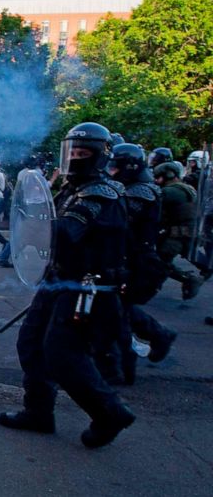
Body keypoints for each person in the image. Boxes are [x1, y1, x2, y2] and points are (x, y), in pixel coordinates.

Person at [0, 122, 135, 449]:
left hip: (87, 288)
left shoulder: (101, 193)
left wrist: (29, 225)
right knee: (30, 343)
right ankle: (38, 412)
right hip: (59, 280)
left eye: (83, 153)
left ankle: (109, 412)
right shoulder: (73, 189)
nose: (75, 158)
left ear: (99, 156)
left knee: (63, 354)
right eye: (72, 151)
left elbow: (65, 233)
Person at [104, 143, 175, 385]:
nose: (112, 171)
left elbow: (121, 225)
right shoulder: (136, 187)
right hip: (129, 259)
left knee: (117, 314)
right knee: (118, 308)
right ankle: (159, 334)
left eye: (116, 167)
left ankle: (123, 369)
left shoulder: (140, 193)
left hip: (137, 263)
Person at [153, 161, 203, 300]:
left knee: (161, 260)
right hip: (186, 230)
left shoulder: (170, 191)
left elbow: (156, 210)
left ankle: (189, 279)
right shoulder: (184, 188)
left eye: (159, 177)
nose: (157, 180)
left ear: (168, 175)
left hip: (178, 232)